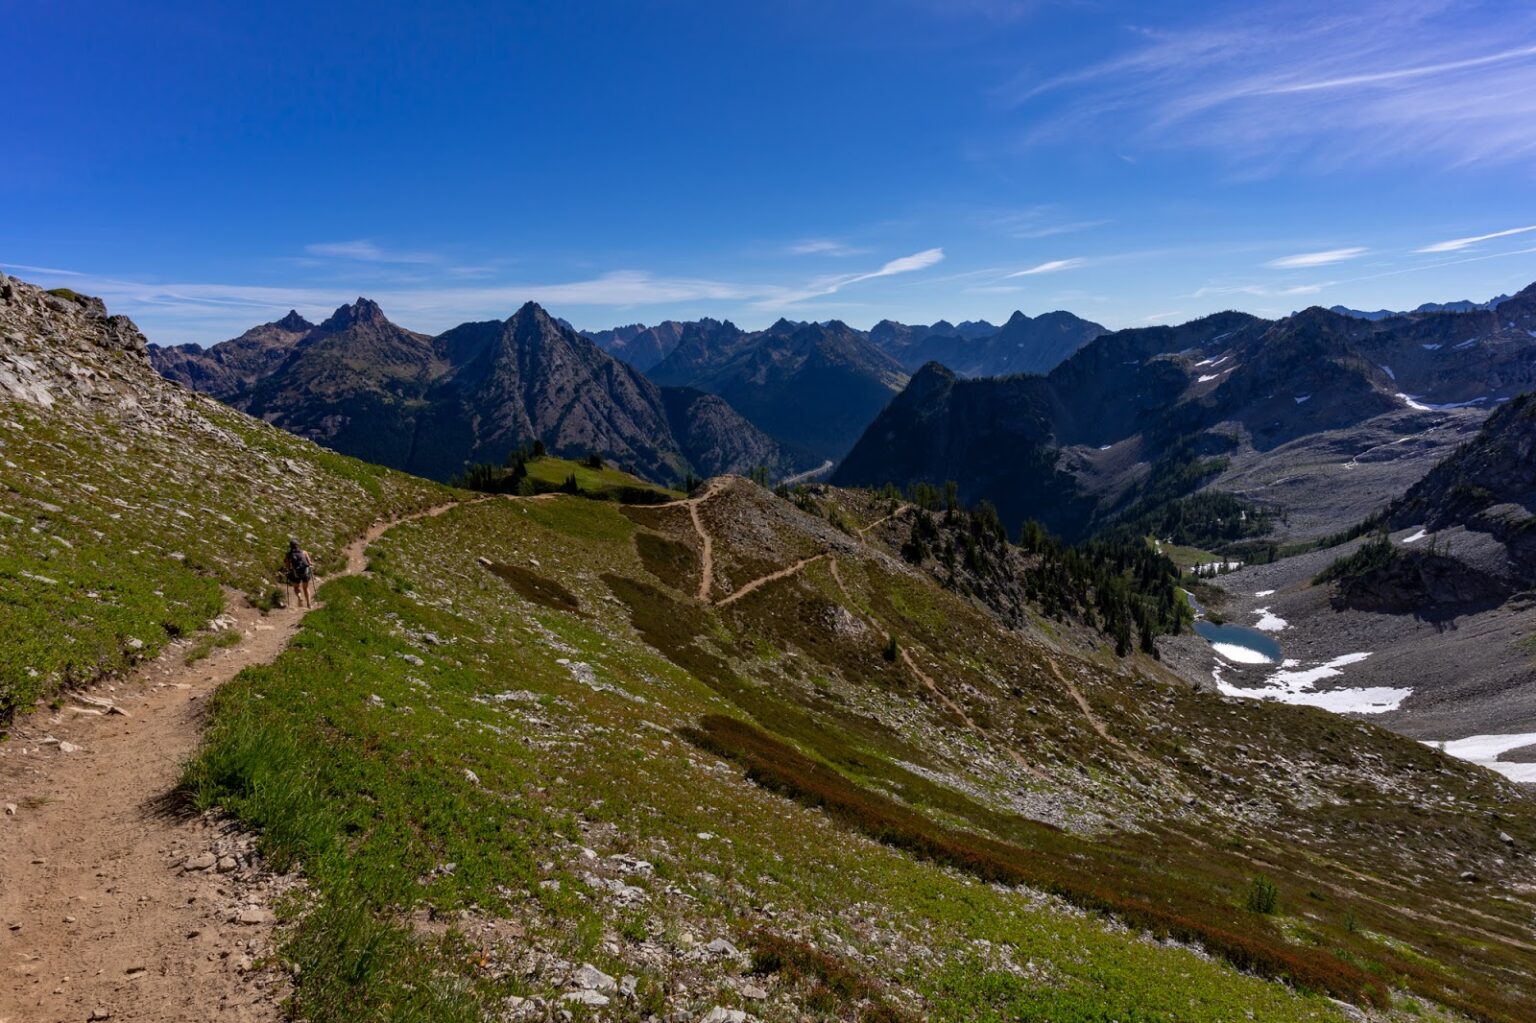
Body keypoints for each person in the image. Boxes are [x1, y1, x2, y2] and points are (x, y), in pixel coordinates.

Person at [283, 538, 315, 609]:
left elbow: (287, 566)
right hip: (305, 572)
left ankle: (299, 597)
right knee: (306, 588)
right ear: (298, 545)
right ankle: (309, 604)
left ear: (290, 546)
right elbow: (309, 563)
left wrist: (288, 571)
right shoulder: (304, 552)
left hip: (295, 573)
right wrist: (311, 566)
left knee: (296, 587)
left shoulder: (288, 554)